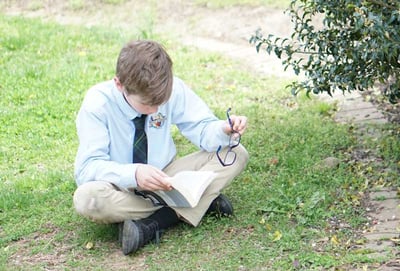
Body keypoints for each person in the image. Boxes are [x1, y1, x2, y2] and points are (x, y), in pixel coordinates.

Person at [73, 40, 249, 255]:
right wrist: (134, 173)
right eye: (147, 104)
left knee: (236, 153)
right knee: (87, 199)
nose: (156, 109)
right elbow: (87, 169)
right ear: (119, 84)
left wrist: (223, 129)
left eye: (160, 102)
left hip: (165, 177)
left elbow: (202, 128)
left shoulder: (171, 88)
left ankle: (155, 221)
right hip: (119, 186)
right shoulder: (97, 104)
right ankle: (197, 203)